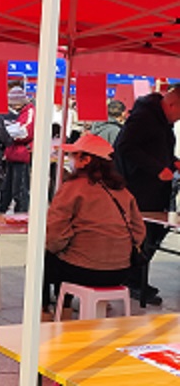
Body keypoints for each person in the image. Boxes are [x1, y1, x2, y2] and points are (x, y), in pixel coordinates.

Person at [43, 134, 145, 318]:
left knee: (46, 257)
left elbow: (54, 236)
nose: (70, 159)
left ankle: (50, 310)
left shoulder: (73, 187)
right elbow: (139, 233)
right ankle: (63, 306)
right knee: (62, 256)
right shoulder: (123, 191)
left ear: (86, 160)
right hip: (121, 272)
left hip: (84, 271)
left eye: (74, 155)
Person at [113, 86, 180, 305]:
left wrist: (173, 162)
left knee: (154, 233)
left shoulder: (161, 121)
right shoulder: (144, 117)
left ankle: (137, 278)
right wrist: (157, 169)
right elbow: (125, 147)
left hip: (155, 190)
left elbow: (157, 151)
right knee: (142, 235)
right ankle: (133, 280)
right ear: (172, 104)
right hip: (139, 189)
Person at [0, 86, 35, 213]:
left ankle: (21, 214)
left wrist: (8, 134)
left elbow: (26, 132)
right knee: (7, 187)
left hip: (21, 155)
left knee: (20, 189)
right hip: (13, 154)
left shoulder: (29, 112)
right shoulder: (22, 113)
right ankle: (4, 209)